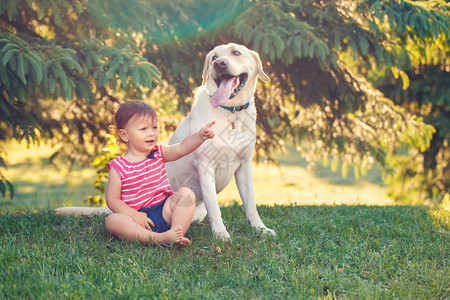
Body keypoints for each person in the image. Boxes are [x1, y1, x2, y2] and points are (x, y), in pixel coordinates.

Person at [104, 101, 215, 246]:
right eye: (143, 129)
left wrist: (200, 136)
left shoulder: (158, 153)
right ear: (125, 135)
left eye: (154, 127)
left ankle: (176, 233)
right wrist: (133, 215)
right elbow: (112, 199)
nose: (151, 133)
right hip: (136, 221)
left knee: (186, 193)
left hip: (164, 212)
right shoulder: (118, 166)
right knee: (112, 220)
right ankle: (157, 238)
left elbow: (181, 148)